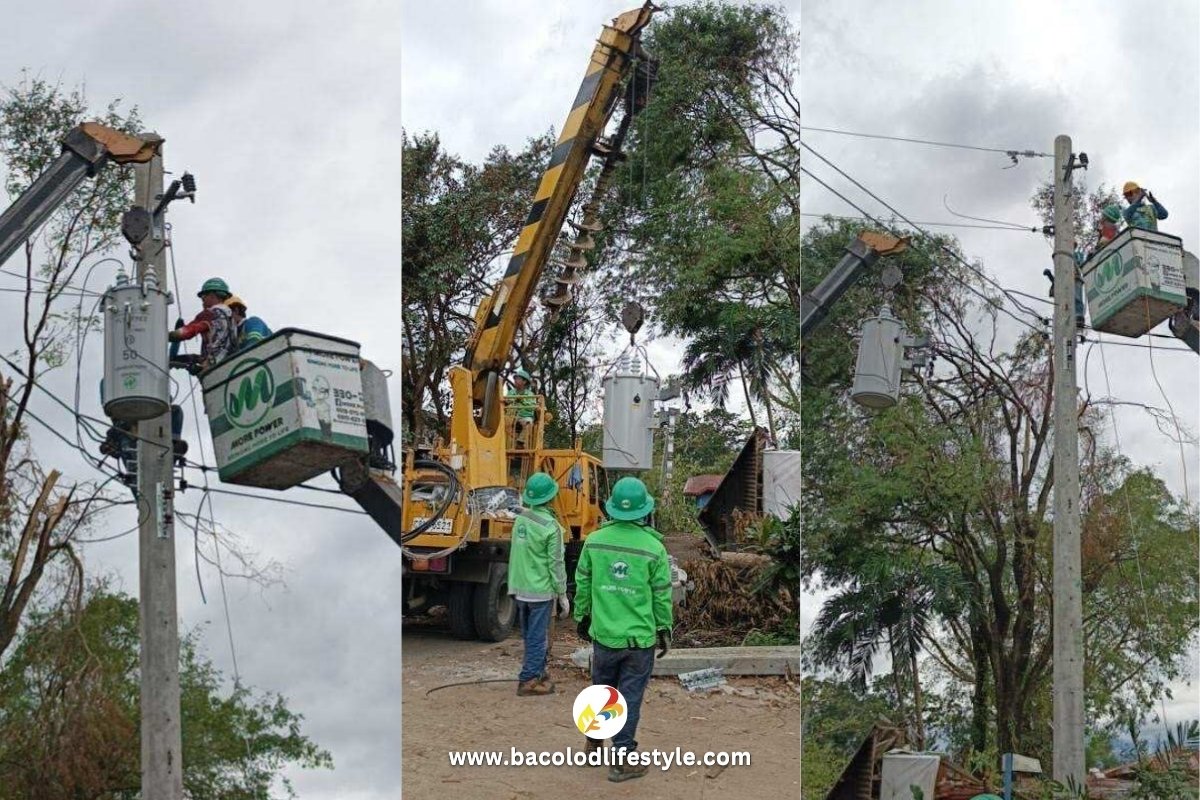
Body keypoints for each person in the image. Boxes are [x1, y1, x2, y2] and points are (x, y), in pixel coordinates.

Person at [574, 477, 674, 783]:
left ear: (612, 508)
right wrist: (664, 629)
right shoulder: (654, 548)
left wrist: (582, 616)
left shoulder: (594, 541)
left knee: (602, 691)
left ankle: (593, 743)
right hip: (639, 640)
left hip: (604, 636)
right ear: (644, 510)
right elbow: (662, 595)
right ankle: (622, 760)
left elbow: (582, 583)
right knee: (628, 697)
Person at [507, 472, 569, 696]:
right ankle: (529, 680)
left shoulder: (521, 520)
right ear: (551, 498)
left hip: (519, 588)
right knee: (537, 637)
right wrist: (562, 593)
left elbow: (529, 518)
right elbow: (555, 563)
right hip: (540, 591)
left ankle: (539, 673)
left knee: (530, 635)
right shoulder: (551, 527)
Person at [168, 277, 237, 373]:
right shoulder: (231, 318)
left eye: (204, 295)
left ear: (213, 295)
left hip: (212, 368)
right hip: (229, 365)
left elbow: (187, 332)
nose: (202, 299)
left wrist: (167, 336)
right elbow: (220, 347)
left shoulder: (209, 314)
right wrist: (191, 358)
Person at [509, 368, 537, 448]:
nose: (515, 380)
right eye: (515, 379)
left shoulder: (530, 394)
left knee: (528, 423)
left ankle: (520, 442)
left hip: (525, 416)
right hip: (511, 416)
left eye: (518, 379)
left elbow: (532, 407)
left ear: (524, 382)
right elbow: (506, 401)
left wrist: (522, 400)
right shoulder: (511, 392)